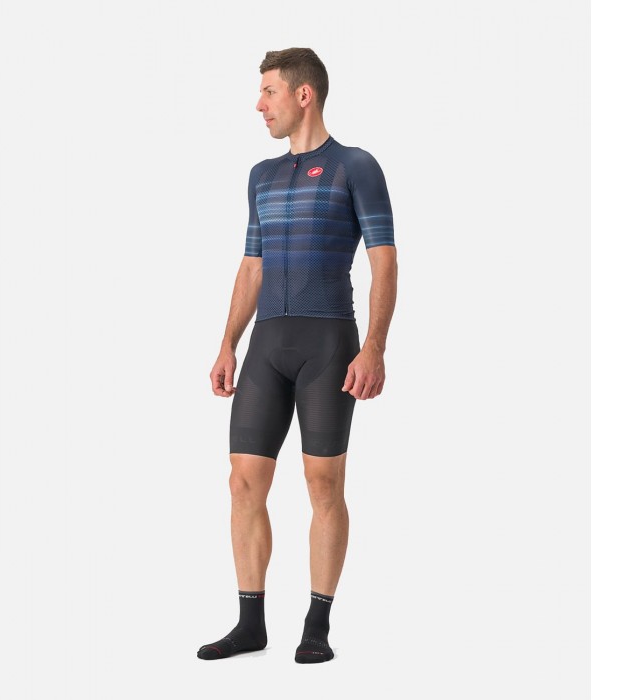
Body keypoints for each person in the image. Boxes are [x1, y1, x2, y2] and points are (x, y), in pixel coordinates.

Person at [197, 47, 397, 664]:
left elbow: (384, 261)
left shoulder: (355, 166)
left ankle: (317, 625)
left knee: (323, 482)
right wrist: (228, 343)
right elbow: (252, 266)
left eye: (269, 92)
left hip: (329, 343)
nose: (260, 104)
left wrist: (374, 347)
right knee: (243, 480)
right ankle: (250, 622)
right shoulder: (261, 175)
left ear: (303, 94)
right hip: (267, 346)